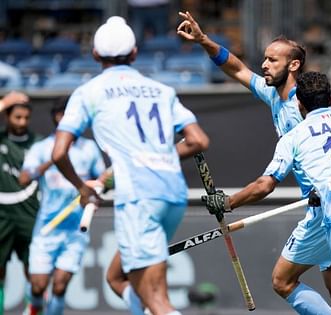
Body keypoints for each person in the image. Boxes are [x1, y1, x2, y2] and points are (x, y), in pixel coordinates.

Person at [177, 11, 331, 315]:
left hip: (330, 203)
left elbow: (269, 183)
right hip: (329, 202)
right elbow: (236, 67)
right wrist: (203, 40)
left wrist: (229, 202)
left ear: (293, 65)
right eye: (264, 59)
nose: (264, 64)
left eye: (272, 60)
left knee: (285, 281)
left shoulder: (302, 108)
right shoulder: (273, 94)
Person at [202, 71, 331, 315]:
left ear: (298, 104)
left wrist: (227, 202)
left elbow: (265, 185)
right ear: (330, 98)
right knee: (285, 279)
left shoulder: (294, 137)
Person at [51, 16, 209, 315]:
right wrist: (154, 158)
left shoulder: (88, 92)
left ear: (95, 55)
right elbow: (198, 140)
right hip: (173, 194)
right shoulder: (161, 90)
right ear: (135, 53)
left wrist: (83, 188)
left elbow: (59, 152)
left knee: (157, 299)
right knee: (117, 277)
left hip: (139, 198)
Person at [19, 99, 107, 315]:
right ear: (58, 117)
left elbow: (101, 181)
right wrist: (55, 159)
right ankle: (35, 306)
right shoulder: (42, 148)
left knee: (60, 285)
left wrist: (95, 196)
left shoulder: (89, 148)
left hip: (75, 230)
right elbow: (24, 178)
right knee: (38, 286)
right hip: (47, 227)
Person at [0, 91, 41, 315]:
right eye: (17, 117)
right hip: (1, 216)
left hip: (30, 214)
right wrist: (6, 101)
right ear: (7, 116)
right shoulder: (1, 139)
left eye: (26, 117)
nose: (22, 122)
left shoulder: (38, 143)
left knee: (35, 274)